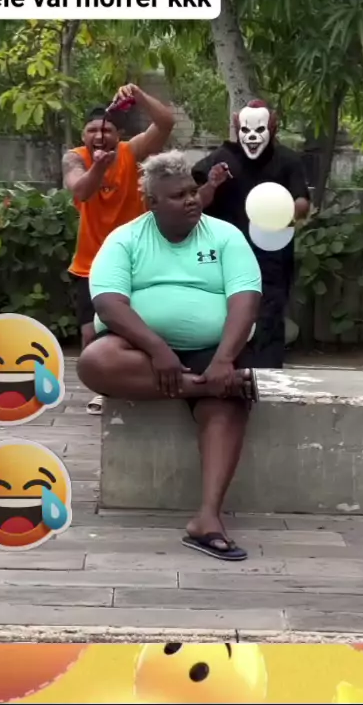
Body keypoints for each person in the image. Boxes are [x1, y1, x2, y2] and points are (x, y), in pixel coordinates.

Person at [77, 150, 262, 561]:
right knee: (94, 361)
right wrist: (158, 348)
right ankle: (206, 387)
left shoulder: (226, 236)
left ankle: (207, 519)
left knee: (226, 408)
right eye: (178, 195)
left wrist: (224, 360)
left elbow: (246, 300)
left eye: (192, 191)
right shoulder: (125, 239)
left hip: (214, 351)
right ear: (152, 202)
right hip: (141, 352)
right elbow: (108, 303)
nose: (192, 199)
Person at [63, 83, 175, 414]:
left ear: (119, 134)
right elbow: (81, 190)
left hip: (135, 260)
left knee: (135, 327)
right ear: (84, 135)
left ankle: (135, 384)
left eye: (107, 130)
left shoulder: (130, 151)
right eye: (92, 130)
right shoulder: (75, 157)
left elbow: (166, 123)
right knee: (89, 332)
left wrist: (139, 95)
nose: (99, 136)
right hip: (90, 264)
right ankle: (101, 390)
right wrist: (99, 165)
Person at [192, 99, 311, 368]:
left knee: (268, 314)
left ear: (273, 127)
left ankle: (267, 374)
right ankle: (221, 366)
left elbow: (302, 202)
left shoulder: (287, 160)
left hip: (271, 254)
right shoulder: (220, 159)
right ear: (237, 128)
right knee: (224, 311)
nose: (253, 137)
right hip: (223, 254)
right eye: (246, 130)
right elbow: (195, 201)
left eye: (260, 129)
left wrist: (286, 211)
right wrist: (212, 184)